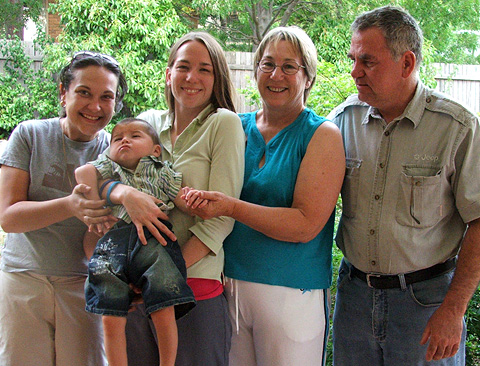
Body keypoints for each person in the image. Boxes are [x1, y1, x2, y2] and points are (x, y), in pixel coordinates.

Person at [183, 26, 345, 366]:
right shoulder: (232, 126)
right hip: (226, 288)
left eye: (289, 66)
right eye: (267, 64)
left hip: (290, 293)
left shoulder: (322, 134)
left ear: (309, 78)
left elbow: (304, 225)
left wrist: (230, 207)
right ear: (255, 70)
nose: (276, 75)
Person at [327, 6, 480, 365]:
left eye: (368, 61)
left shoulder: (457, 128)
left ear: (407, 63)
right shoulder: (341, 122)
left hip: (426, 305)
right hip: (354, 299)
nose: (354, 72)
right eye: (353, 59)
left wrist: (454, 309)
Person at [110, 32, 245, 366]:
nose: (192, 77)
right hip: (137, 288)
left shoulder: (223, 124)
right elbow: (109, 178)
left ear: (217, 79)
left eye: (204, 69)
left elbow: (220, 219)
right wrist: (124, 194)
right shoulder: (147, 124)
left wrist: (164, 276)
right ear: (168, 73)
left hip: (193, 289)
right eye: (183, 67)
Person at [0, 51, 127, 366]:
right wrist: (71, 205)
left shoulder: (114, 153)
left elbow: (105, 239)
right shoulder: (30, 135)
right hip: (23, 279)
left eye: (106, 97)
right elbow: (8, 217)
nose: (94, 106)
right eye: (84, 92)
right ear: (63, 92)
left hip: (84, 286)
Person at [75, 118, 197, 366]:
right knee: (110, 314)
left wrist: (197, 199)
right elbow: (81, 173)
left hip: (153, 240)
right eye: (117, 138)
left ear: (155, 150)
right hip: (113, 242)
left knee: (164, 305)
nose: (124, 140)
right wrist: (94, 191)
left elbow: (186, 202)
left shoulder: (161, 172)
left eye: (135, 135)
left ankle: (167, 363)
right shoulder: (107, 173)